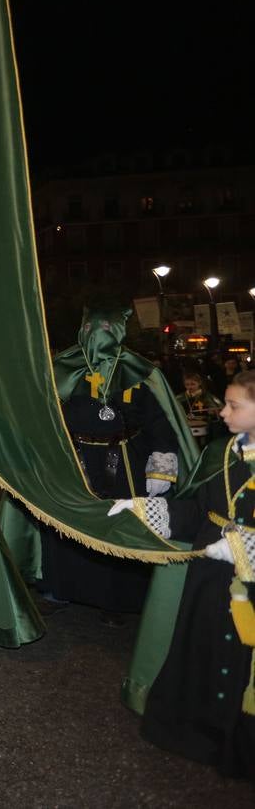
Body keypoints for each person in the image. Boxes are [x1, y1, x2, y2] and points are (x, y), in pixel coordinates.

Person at [115, 370, 255, 779]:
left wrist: (243, 548)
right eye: (225, 403)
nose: (223, 412)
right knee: (206, 651)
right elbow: (197, 510)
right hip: (210, 580)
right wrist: (145, 510)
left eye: (234, 406)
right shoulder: (219, 452)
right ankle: (202, 734)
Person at [46, 306, 188, 617]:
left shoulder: (141, 371)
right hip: (78, 461)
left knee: (122, 523)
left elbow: (159, 422)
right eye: (93, 331)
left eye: (107, 331)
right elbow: (46, 418)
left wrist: (161, 467)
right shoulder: (61, 368)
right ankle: (65, 590)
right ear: (82, 332)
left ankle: (121, 599)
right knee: (70, 524)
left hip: (127, 462)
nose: (99, 338)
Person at [177, 370, 226, 446]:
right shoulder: (180, 398)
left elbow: (220, 408)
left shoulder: (207, 396)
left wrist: (213, 412)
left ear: (199, 383)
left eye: (193, 384)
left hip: (206, 428)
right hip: (186, 427)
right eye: (187, 384)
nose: (189, 387)